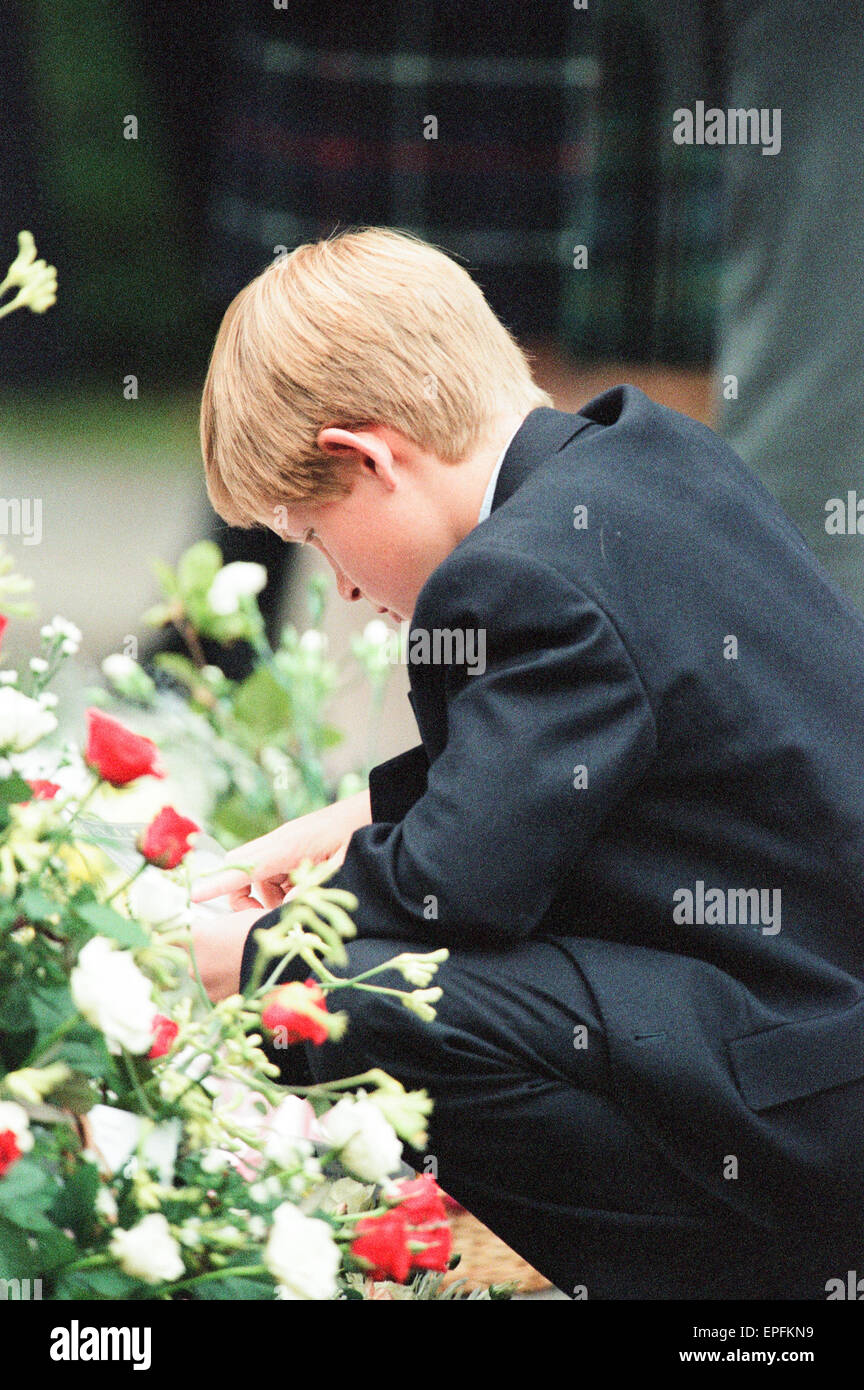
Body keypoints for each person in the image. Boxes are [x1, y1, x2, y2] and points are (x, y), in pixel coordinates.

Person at [190, 226, 864, 1300]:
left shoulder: (518, 576)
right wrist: (359, 815)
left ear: (370, 457)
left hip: (807, 1115)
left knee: (349, 996)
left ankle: (719, 1289)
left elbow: (455, 891)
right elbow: (597, 738)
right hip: (819, 1020)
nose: (348, 591)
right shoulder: (648, 454)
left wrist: (254, 953)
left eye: (315, 535)